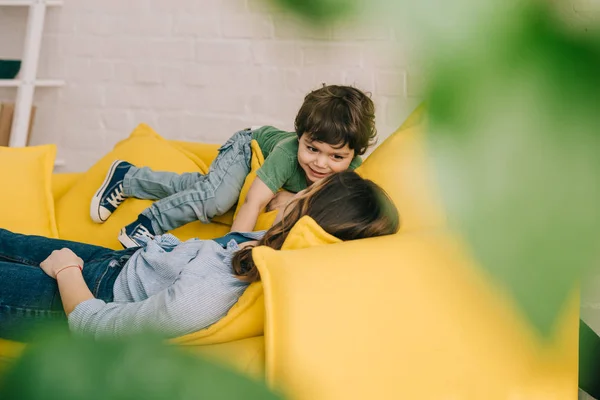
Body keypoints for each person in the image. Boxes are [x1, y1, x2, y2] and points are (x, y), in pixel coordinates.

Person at [0, 171, 399, 341]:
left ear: (311, 215)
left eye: (307, 194)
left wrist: (68, 270)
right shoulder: (274, 245)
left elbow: (98, 329)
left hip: (87, 295)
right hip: (118, 265)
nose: (297, 191)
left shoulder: (211, 294)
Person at [90, 84, 377, 248]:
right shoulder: (288, 153)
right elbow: (253, 203)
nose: (320, 163)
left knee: (203, 189)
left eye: (336, 157)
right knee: (216, 200)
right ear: (300, 137)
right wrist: (230, 252)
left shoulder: (352, 174)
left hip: (263, 166)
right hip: (247, 146)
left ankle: (128, 177)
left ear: (354, 155)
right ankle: (147, 223)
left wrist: (293, 197)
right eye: (312, 149)